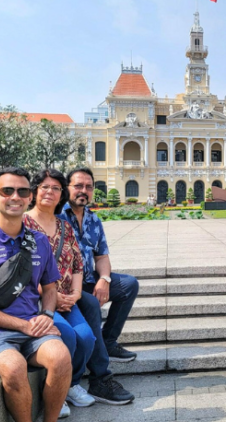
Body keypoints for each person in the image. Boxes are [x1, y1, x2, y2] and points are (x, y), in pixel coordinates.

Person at [0, 167, 71, 422]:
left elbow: (50, 287)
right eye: (7, 191)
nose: (15, 196)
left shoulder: (39, 242)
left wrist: (47, 314)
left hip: (32, 328)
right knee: (14, 366)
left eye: (22, 191)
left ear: (30, 197)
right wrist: (23, 325)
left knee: (61, 357)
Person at [59, 167, 137, 405]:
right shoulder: (56, 216)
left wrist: (105, 279)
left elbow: (101, 256)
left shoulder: (93, 219)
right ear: (67, 189)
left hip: (89, 277)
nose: (84, 191)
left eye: (89, 187)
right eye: (78, 186)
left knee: (128, 285)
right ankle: (100, 379)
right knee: (91, 303)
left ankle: (109, 341)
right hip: (65, 283)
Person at [24, 169, 97, 418]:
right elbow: (18, 269)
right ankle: (56, 391)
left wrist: (76, 294)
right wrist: (51, 296)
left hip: (67, 300)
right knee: (65, 334)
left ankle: (70, 384)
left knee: (87, 338)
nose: (49, 192)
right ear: (34, 191)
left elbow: (78, 263)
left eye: (55, 188)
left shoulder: (64, 225)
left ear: (61, 195)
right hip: (37, 300)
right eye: (44, 187)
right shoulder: (22, 224)